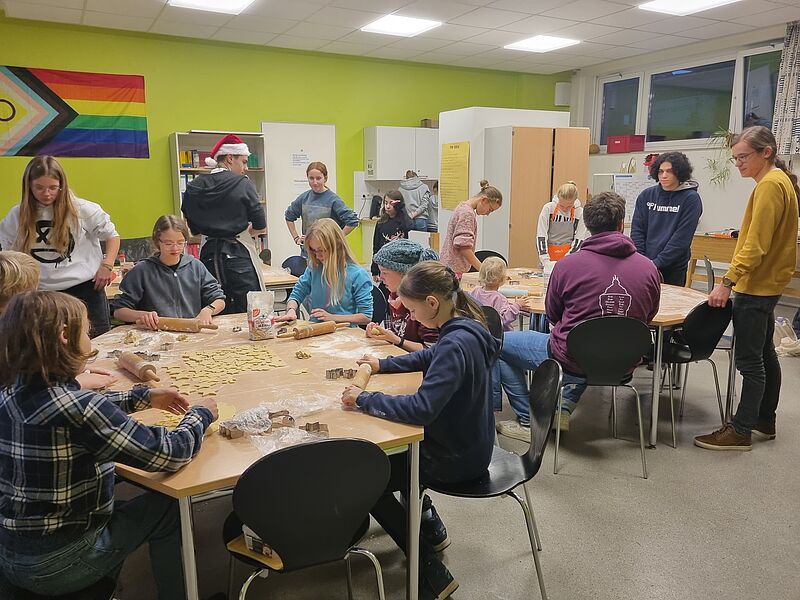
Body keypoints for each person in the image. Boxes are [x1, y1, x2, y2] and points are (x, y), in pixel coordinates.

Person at [0, 290, 219, 600]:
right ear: (65, 336)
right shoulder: (82, 409)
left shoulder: (9, 392)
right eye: (86, 329)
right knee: (168, 508)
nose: (90, 335)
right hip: (59, 562)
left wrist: (142, 396)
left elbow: (71, 404)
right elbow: (169, 453)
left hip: (12, 551)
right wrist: (200, 415)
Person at [341, 261, 499, 600]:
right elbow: (428, 357)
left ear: (431, 302)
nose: (410, 316)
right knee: (388, 467)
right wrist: (382, 364)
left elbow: (422, 408)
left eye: (412, 310)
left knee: (370, 478)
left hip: (456, 458)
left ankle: (430, 570)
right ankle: (431, 528)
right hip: (472, 444)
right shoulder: (464, 327)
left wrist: (365, 399)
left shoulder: (455, 343)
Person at [495, 192, 661, 441]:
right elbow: (648, 316)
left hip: (572, 358)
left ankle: (530, 421)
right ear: (621, 224)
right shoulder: (648, 268)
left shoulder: (567, 265)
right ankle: (562, 405)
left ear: (587, 224)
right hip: (623, 362)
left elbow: (553, 315)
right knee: (583, 347)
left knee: (496, 343)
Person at [695, 126, 799, 451]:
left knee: (749, 361)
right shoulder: (778, 181)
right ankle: (764, 419)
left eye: (743, 157)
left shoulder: (770, 185)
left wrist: (728, 281)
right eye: (735, 158)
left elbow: (755, 246)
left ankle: (741, 430)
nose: (738, 163)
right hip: (767, 284)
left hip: (756, 287)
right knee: (765, 354)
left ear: (766, 152)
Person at [0, 156, 120, 337]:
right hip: (42, 292)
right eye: (39, 188)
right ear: (29, 186)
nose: (46, 193)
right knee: (47, 344)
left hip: (85, 289)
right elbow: (8, 251)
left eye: (53, 188)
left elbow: (112, 236)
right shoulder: (17, 215)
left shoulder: (82, 209)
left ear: (61, 185)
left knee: (96, 341)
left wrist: (107, 265)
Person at [181, 133, 267, 314]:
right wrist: (246, 233)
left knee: (214, 308)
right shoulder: (242, 183)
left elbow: (193, 228)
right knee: (250, 311)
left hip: (208, 256)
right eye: (243, 162)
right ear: (230, 158)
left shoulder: (195, 186)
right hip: (239, 255)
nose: (245, 168)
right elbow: (260, 223)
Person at [111, 215, 226, 329]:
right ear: (157, 242)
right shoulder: (142, 271)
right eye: (168, 244)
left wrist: (208, 310)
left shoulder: (195, 266)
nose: (175, 248)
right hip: (156, 333)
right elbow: (119, 311)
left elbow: (219, 299)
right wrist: (143, 315)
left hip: (191, 330)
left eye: (180, 243)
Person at [275, 218, 373, 326]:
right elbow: (297, 294)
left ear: (337, 245)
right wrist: (291, 310)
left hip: (345, 332)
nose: (317, 256)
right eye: (313, 250)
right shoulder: (315, 268)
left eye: (321, 250)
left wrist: (332, 318)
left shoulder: (357, 274)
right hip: (317, 329)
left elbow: (366, 316)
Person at [630, 152, 703, 286]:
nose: (664, 175)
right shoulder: (646, 196)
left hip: (673, 269)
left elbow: (681, 239)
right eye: (661, 171)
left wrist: (656, 263)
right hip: (644, 266)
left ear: (679, 172)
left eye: (669, 171)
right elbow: (637, 230)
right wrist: (642, 261)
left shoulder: (691, 199)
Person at [367, 239, 440, 352]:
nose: (381, 278)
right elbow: (397, 334)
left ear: (406, 275)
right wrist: (382, 333)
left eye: (385, 272)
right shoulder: (394, 296)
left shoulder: (424, 303)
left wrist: (397, 340)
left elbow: (432, 350)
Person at [285, 161, 359, 255]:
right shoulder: (304, 198)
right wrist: (296, 238)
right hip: (308, 252)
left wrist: (335, 238)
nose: (315, 182)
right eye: (311, 178)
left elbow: (353, 221)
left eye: (318, 178)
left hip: (327, 252)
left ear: (325, 178)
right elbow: (289, 216)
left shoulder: (333, 200)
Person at [439, 180, 503, 276]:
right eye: (490, 209)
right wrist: (483, 271)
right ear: (484, 200)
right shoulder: (467, 213)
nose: (488, 214)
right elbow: (464, 248)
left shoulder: (462, 207)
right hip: (453, 270)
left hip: (448, 266)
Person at [536, 180, 587, 266]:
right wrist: (545, 261)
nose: (565, 209)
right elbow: (541, 235)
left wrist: (566, 261)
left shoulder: (580, 213)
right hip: (548, 257)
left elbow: (579, 240)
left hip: (569, 258)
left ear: (575, 201)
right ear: (558, 198)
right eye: (562, 206)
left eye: (569, 206)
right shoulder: (549, 208)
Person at [371, 190, 411, 276]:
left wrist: (401, 208)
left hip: (400, 264)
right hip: (384, 263)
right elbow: (376, 246)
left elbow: (409, 226)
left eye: (391, 204)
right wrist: (374, 270)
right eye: (386, 203)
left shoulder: (403, 222)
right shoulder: (381, 223)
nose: (388, 206)